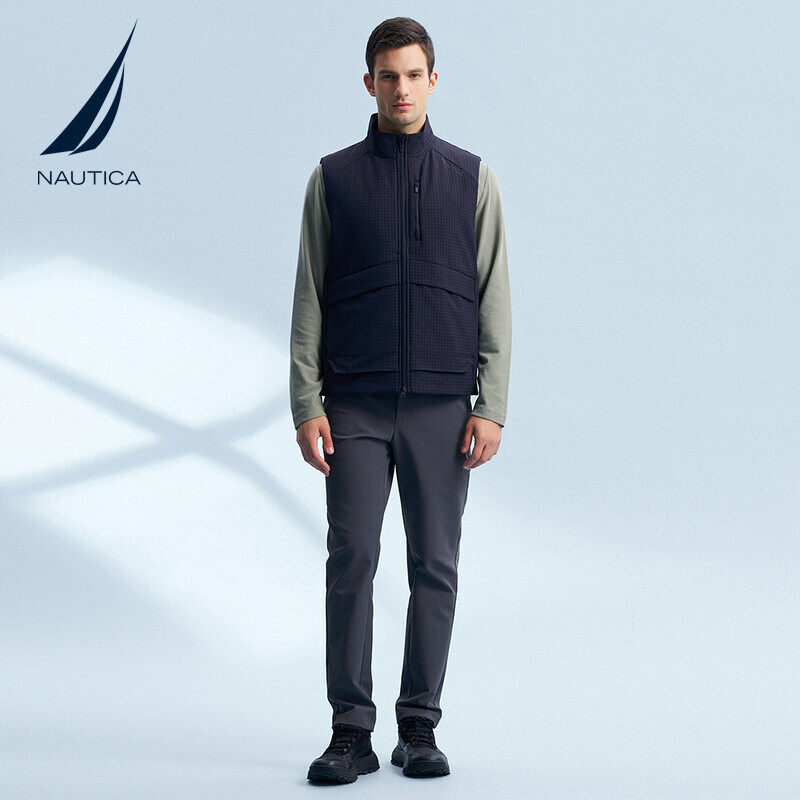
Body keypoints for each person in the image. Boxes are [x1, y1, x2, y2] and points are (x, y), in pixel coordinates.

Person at [289, 16, 512, 784]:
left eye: (414, 75)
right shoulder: (334, 179)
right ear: (370, 83)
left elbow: (494, 294)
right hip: (353, 401)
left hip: (443, 404)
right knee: (351, 559)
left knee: (434, 566)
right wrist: (306, 402)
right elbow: (309, 294)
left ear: (433, 81)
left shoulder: (470, 178)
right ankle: (349, 731)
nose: (402, 89)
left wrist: (491, 403)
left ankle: (419, 726)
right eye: (389, 76)